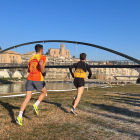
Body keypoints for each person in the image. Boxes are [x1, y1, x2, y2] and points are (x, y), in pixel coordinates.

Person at [16, 44, 47, 126]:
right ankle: (36, 104)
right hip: (37, 79)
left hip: (29, 79)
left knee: (27, 98)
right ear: (41, 50)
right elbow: (41, 64)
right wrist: (43, 72)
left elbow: (29, 69)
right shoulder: (42, 57)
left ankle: (19, 116)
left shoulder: (31, 58)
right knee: (44, 92)